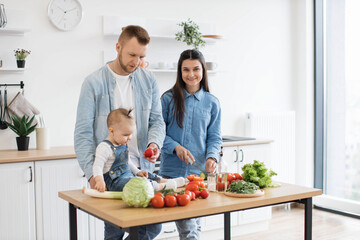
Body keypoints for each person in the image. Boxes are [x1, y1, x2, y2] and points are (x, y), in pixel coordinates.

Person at [74, 25, 165, 240]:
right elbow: (83, 133)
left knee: (152, 227)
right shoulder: (93, 83)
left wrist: (154, 144)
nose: (136, 61)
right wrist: (92, 174)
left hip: (140, 169)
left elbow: (157, 121)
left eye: (141, 56)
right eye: (132, 54)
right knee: (115, 230)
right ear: (118, 47)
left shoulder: (148, 80)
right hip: (110, 174)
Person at [159, 49, 222, 239]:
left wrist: (212, 156)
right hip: (172, 174)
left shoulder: (212, 103)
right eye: (186, 70)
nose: (191, 74)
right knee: (188, 227)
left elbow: (214, 136)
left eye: (196, 69)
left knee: (194, 223)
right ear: (180, 71)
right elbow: (157, 134)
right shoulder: (168, 99)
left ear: (203, 70)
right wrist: (176, 147)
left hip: (199, 175)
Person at [93, 108, 184, 193]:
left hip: (128, 176)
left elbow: (128, 162)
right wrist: (99, 180)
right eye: (125, 135)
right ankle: (161, 187)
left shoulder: (122, 144)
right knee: (139, 184)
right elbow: (97, 166)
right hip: (115, 182)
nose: (129, 138)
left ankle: (164, 180)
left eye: (131, 134)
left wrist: (137, 172)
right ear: (111, 131)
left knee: (145, 174)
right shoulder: (104, 148)